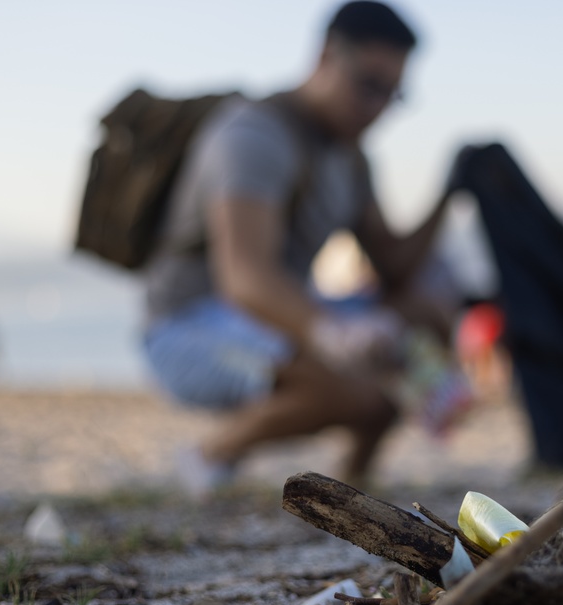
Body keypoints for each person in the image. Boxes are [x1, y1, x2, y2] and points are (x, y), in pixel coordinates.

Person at [142, 2, 463, 496]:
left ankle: (355, 480)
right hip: (187, 326)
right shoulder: (253, 134)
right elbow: (245, 279)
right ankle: (208, 456)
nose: (377, 107)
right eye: (369, 85)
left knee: (429, 312)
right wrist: (334, 331)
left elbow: (396, 266)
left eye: (392, 92)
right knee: (350, 386)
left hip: (273, 314)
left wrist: (451, 192)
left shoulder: (351, 158)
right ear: (326, 57)